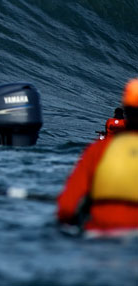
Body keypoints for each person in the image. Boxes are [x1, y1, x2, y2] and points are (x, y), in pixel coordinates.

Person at [57, 79, 138, 233]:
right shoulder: (123, 124)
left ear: (126, 108)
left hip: (100, 234)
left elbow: (67, 207)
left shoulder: (97, 150)